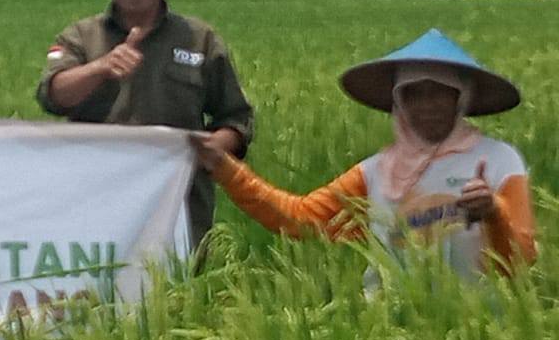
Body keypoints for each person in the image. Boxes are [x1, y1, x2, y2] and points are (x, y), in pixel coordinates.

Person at [192, 29, 537, 279]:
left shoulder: (497, 161)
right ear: (398, 104)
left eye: (441, 94)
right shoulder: (376, 174)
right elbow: (301, 220)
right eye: (413, 95)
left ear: (460, 100)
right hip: (392, 326)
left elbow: (523, 257)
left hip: (480, 325)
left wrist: (494, 211)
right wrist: (227, 168)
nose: (427, 106)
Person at [36, 0, 252, 252]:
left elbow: (237, 119)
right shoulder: (80, 37)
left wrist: (213, 147)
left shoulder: (199, 39)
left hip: (178, 206)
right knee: (95, 297)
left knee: (178, 296)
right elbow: (54, 94)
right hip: (93, 202)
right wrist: (102, 68)